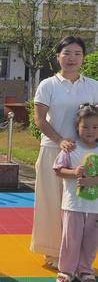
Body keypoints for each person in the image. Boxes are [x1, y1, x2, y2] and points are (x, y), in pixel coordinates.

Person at [32, 36, 98, 270]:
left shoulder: (93, 85)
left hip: (85, 155)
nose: (72, 58)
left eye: (77, 54)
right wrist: (59, 140)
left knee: (82, 207)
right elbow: (39, 119)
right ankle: (53, 253)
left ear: (83, 58)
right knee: (51, 203)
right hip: (53, 149)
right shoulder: (48, 85)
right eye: (67, 53)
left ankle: (81, 257)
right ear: (58, 56)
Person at [53, 103, 98, 282]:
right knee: (71, 239)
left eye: (95, 127)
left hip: (95, 207)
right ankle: (66, 270)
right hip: (73, 205)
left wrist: (93, 181)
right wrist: (74, 173)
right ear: (77, 127)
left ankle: (85, 269)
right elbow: (58, 169)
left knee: (91, 240)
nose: (90, 131)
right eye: (85, 126)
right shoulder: (71, 149)